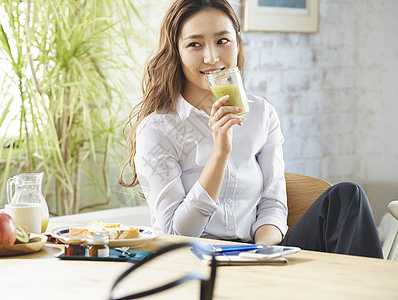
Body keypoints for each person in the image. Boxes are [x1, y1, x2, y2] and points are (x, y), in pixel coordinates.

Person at [120, 0, 383, 259]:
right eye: (194, 44)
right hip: (193, 258)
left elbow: (273, 203)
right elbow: (175, 233)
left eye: (222, 40)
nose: (212, 57)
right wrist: (220, 154)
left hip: (256, 250)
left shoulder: (261, 113)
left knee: (348, 196)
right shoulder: (157, 130)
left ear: (237, 43)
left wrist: (260, 253)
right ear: (176, 52)